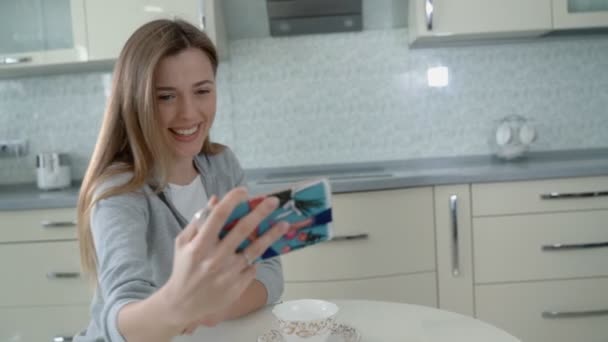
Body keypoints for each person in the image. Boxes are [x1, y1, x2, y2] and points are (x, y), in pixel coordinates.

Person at [74, 19, 289, 342]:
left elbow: (269, 272)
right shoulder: (119, 192)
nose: (189, 113)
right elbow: (120, 318)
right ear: (136, 101)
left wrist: (210, 310)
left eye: (202, 91)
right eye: (166, 97)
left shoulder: (221, 165)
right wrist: (181, 305)